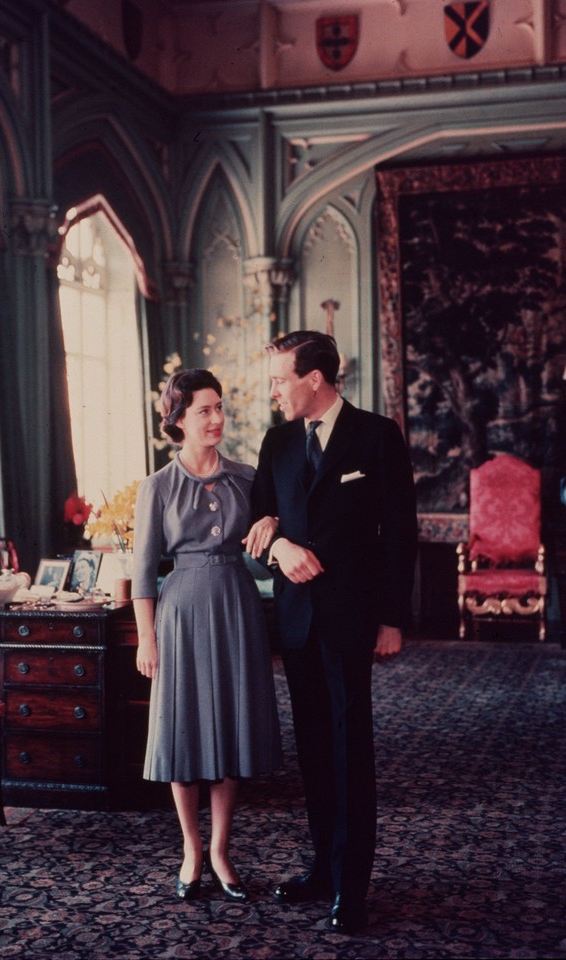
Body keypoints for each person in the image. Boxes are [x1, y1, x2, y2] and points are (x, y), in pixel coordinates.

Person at [247, 330, 417, 935]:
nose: (273, 392)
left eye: (279, 380)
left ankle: (352, 886)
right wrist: (279, 547)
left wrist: (393, 618)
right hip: (296, 621)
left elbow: (400, 533)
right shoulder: (276, 442)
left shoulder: (377, 435)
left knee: (349, 751)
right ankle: (322, 869)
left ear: (314, 378)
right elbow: (258, 524)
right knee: (315, 751)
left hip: (352, 619)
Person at [132, 368, 282, 904]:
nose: (217, 418)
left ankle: (221, 850)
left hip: (236, 606)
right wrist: (146, 639)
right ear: (178, 419)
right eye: (204, 410)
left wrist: (274, 526)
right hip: (181, 612)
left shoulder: (247, 476)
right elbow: (143, 573)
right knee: (184, 729)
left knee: (231, 728)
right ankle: (191, 848)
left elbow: (265, 545)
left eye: (219, 407)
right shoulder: (157, 486)